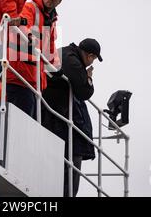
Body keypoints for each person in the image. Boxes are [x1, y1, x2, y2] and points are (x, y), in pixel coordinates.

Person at [42, 38, 103, 197]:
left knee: (63, 164)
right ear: (89, 55)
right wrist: (88, 77)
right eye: (93, 59)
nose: (91, 63)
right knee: (70, 169)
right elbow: (85, 92)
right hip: (61, 118)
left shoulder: (66, 53)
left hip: (56, 114)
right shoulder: (72, 61)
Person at [0, 0, 63, 118]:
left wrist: (55, 66)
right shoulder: (30, 7)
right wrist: (29, 37)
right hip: (18, 75)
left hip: (32, 80)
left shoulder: (51, 20)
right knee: (17, 120)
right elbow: (23, 23)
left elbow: (50, 46)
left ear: (59, 1)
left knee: (26, 121)